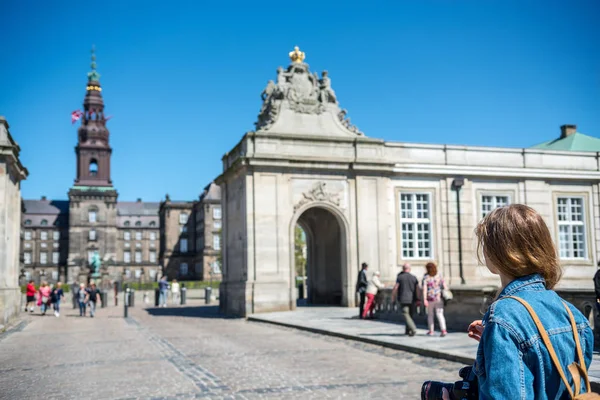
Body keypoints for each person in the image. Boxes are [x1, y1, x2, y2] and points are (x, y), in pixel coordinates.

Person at [465, 204, 594, 399]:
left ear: (498, 252)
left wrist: (503, 333)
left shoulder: (503, 316)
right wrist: (496, 340)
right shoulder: (572, 313)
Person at [391, 263, 419, 336]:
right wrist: (418, 298)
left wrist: (393, 297)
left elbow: (395, 288)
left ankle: (413, 328)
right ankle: (407, 330)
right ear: (410, 269)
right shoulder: (414, 277)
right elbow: (417, 289)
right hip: (412, 298)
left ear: (403, 269)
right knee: (410, 314)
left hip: (403, 298)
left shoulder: (400, 277)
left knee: (405, 314)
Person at [422, 262, 447, 337]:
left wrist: (424, 299)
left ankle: (431, 331)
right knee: (440, 314)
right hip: (439, 298)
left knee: (430, 315)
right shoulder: (439, 276)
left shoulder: (426, 277)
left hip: (430, 299)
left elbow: (424, 289)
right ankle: (443, 330)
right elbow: (445, 286)